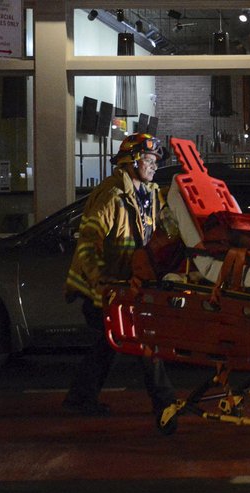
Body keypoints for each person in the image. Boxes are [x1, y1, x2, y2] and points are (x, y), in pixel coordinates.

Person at [63, 133, 177, 418]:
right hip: (106, 288)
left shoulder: (151, 193)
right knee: (142, 340)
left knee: (107, 345)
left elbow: (165, 230)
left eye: (155, 161)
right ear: (133, 160)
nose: (153, 166)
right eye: (149, 160)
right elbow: (88, 243)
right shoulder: (111, 196)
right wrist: (100, 283)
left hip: (128, 285)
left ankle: (79, 398)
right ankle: (165, 404)